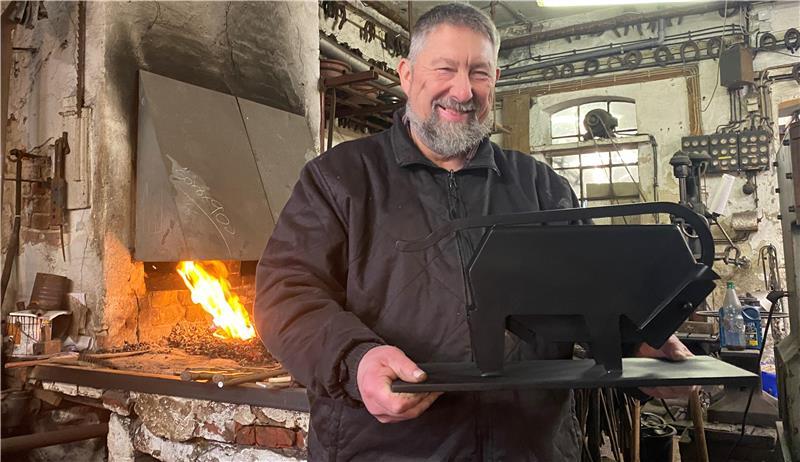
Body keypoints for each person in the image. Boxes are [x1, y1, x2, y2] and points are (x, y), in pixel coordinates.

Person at [255, 3, 693, 460]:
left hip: (529, 448)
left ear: (495, 80)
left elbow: (594, 292)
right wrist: (356, 360)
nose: (463, 91)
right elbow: (285, 294)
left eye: (479, 73)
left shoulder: (541, 187)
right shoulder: (339, 178)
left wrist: (639, 344)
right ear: (407, 75)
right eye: (445, 69)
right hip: (384, 449)